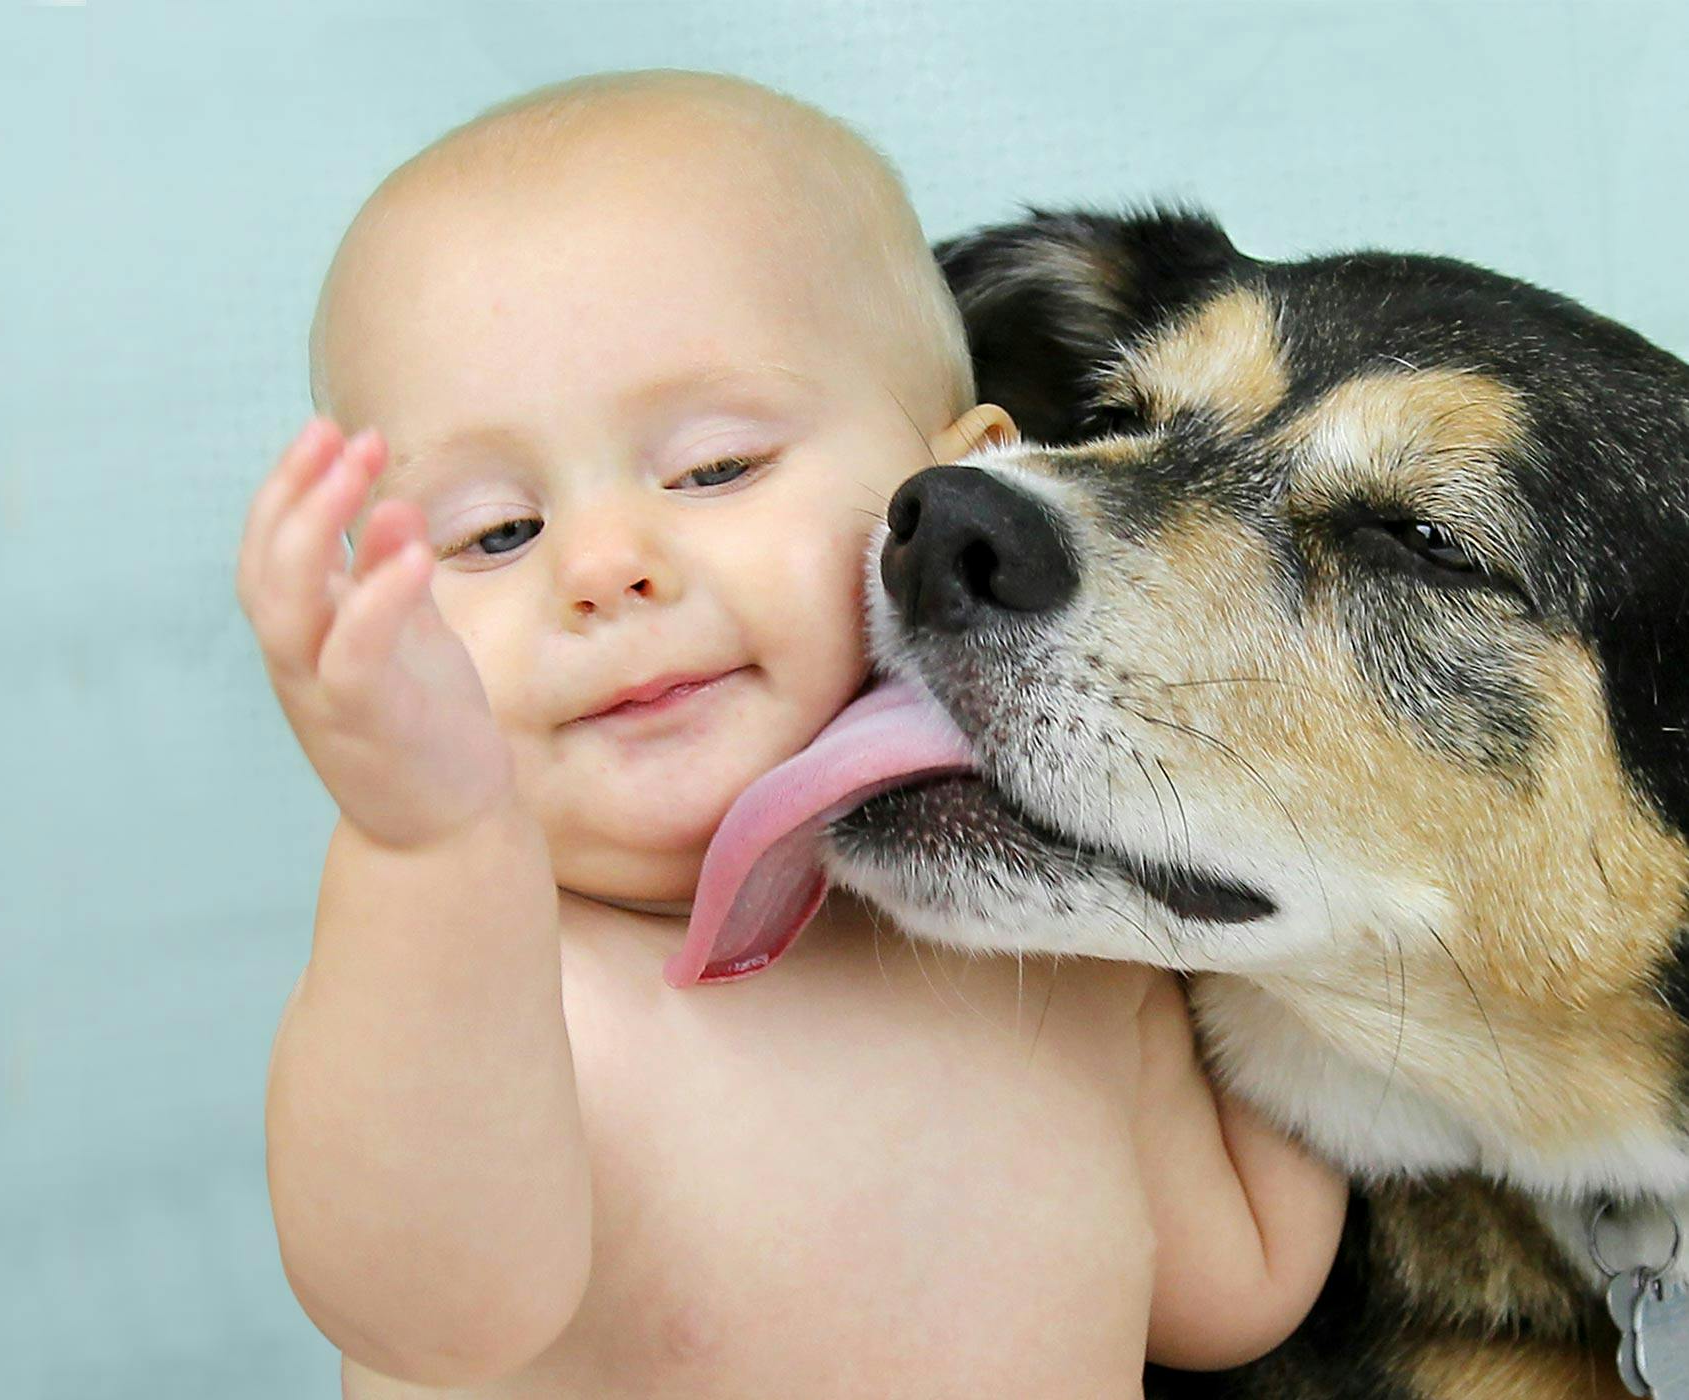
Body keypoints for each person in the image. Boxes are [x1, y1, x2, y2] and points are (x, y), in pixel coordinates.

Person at [238, 69, 1347, 1399]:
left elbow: (1237, 1285)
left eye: (715, 468)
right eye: (498, 533)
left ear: (964, 486)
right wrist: (422, 847)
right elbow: (429, 1312)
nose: (601, 564)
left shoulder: (1060, 956)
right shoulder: (508, 991)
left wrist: (1322, 856)